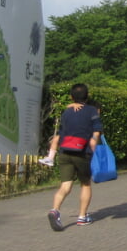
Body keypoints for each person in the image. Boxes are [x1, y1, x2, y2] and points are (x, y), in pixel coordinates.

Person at [47, 83, 103, 231]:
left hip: (65, 151)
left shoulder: (67, 111)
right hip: (81, 152)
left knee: (65, 186)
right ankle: (82, 217)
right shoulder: (92, 110)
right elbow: (97, 131)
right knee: (85, 184)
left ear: (72, 97)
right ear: (87, 95)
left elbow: (61, 132)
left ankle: (55, 210)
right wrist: (93, 145)